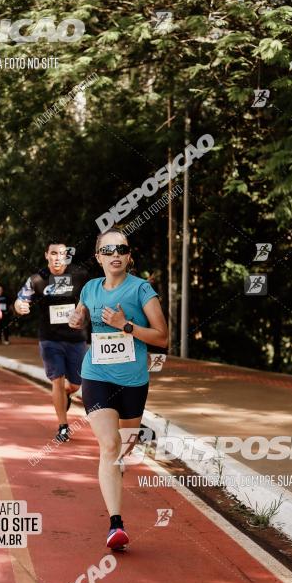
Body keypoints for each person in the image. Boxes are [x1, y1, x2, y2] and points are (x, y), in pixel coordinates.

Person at [68, 228, 168, 550]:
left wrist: (125, 326)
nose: (115, 254)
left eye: (121, 249)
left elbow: (162, 338)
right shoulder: (89, 289)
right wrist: (76, 319)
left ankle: (114, 481)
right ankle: (116, 525)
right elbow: (80, 315)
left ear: (129, 256)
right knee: (109, 446)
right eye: (108, 249)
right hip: (96, 375)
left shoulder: (142, 291)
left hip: (133, 382)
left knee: (123, 450)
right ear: (98, 256)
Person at [14, 242, 88, 442]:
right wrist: (19, 306)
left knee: (74, 384)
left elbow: (93, 297)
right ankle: (63, 426)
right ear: (46, 255)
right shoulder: (37, 279)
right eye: (53, 253)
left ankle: (65, 394)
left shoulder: (80, 276)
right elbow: (21, 298)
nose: (57, 257)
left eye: (62, 254)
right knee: (57, 379)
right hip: (50, 339)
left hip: (76, 339)